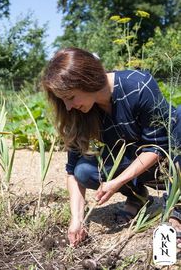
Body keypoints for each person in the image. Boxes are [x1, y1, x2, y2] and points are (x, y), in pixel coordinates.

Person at [42, 47, 181, 248]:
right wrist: (77, 220)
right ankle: (137, 197)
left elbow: (157, 147)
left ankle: (176, 212)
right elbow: (72, 171)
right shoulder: (80, 112)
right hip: (135, 161)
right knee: (84, 170)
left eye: (71, 97)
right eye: (63, 100)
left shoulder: (138, 85)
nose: (68, 107)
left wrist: (116, 182)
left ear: (86, 79)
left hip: (170, 161)